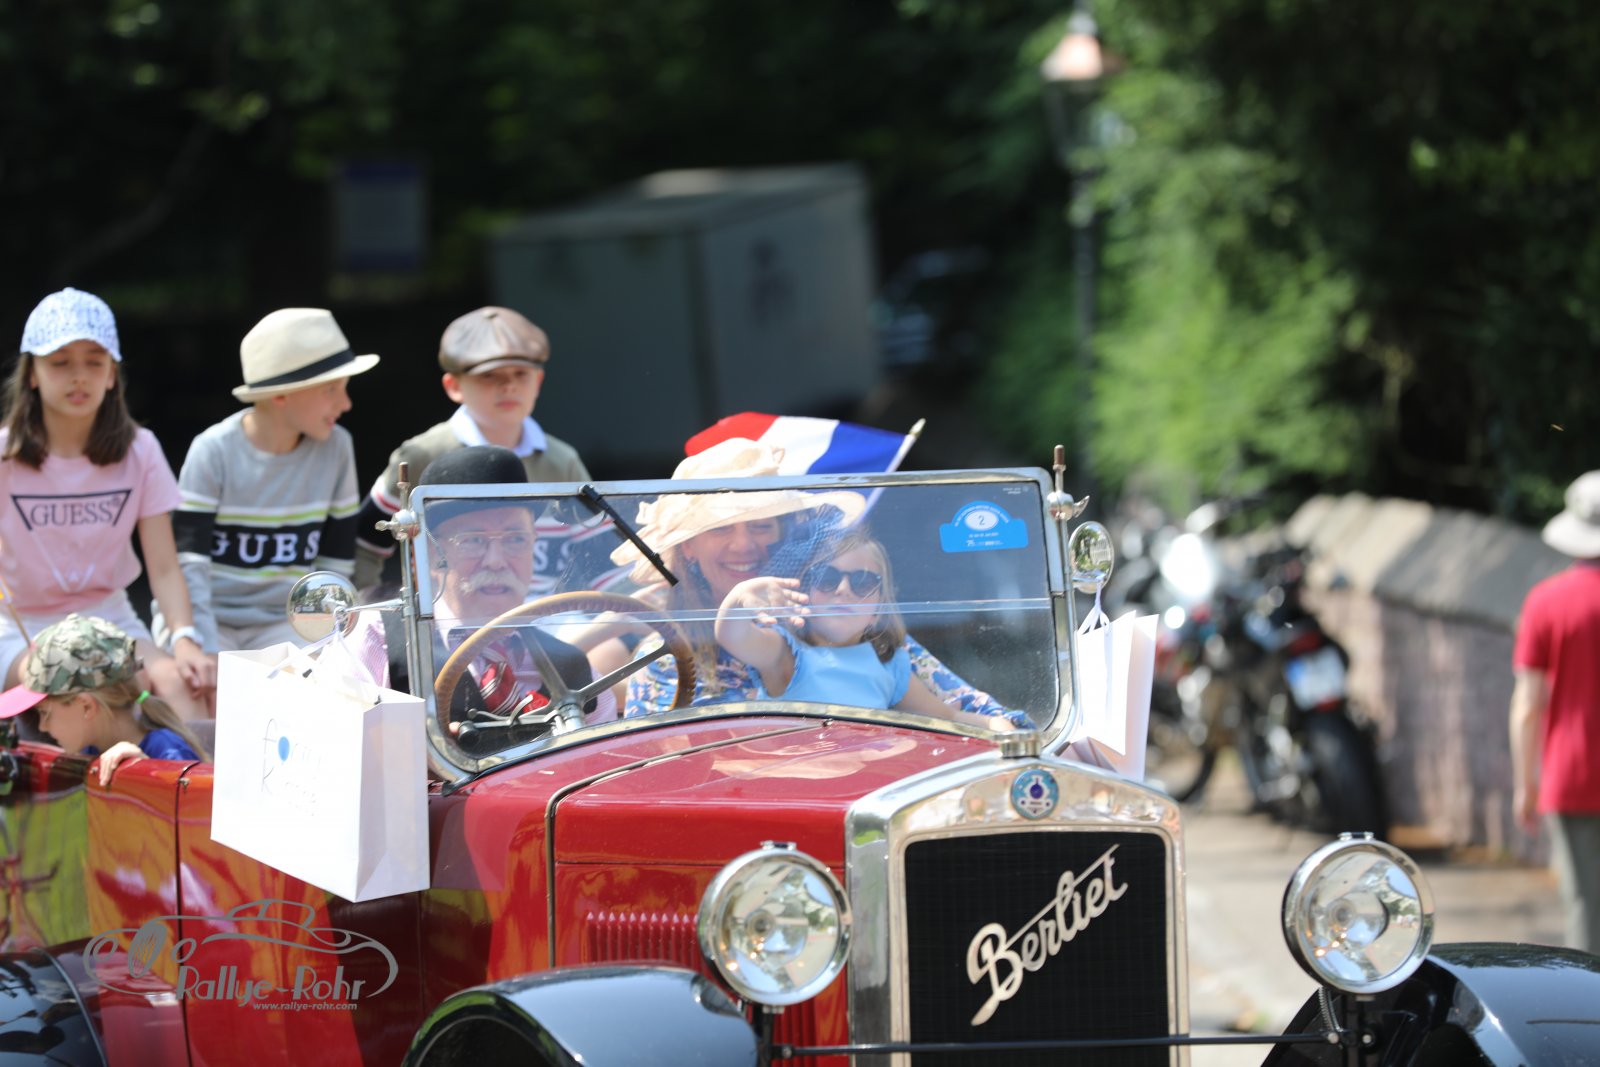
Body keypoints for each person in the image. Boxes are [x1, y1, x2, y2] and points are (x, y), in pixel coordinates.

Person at [606, 438, 1027, 727]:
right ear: (689, 549)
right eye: (720, 529)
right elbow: (657, 771)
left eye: (761, 525)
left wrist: (1023, 738)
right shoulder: (665, 655)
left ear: (784, 533)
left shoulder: (842, 623)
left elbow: (967, 710)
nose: (743, 545)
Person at [0, 288, 211, 719]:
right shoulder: (5, 455)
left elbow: (164, 567)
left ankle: (185, 766)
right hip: (23, 629)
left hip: (110, 621)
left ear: (112, 375)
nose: (79, 376)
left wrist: (185, 640)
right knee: (83, 678)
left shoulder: (141, 450)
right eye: (60, 362)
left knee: (180, 684)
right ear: (32, 374)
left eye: (94, 362)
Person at [342, 446, 614, 744]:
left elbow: (604, 767)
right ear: (429, 554)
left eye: (515, 539)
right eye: (472, 540)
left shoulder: (577, 672)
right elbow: (342, 752)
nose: (496, 560)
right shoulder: (377, 642)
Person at [157, 307, 376, 653]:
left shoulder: (338, 448)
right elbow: (189, 564)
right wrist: (199, 647)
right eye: (331, 389)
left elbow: (334, 565)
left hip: (290, 622)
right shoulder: (213, 450)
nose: (346, 403)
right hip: (207, 618)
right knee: (204, 684)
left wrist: (325, 640)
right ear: (280, 394)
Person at [354, 306, 589, 591]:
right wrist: (372, 608)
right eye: (489, 376)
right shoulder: (421, 455)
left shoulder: (563, 462)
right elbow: (364, 546)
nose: (509, 386)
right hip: (446, 616)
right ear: (453, 385)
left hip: (551, 614)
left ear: (538, 381)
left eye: (521, 374)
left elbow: (600, 551)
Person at [716, 526, 973, 721]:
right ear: (804, 593)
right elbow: (732, 636)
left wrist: (993, 726)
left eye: (862, 582)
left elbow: (949, 718)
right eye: (827, 578)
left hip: (867, 772)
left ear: (878, 610)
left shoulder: (891, 665)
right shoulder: (785, 653)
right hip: (798, 770)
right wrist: (739, 598)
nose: (843, 590)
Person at [1511, 469, 1600, 953]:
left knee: (1587, 904)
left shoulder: (1546, 603)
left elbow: (1528, 705)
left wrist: (1525, 783)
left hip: (1573, 775)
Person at [0, 613, 208, 786]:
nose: (42, 727)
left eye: (45, 713)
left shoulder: (169, 753)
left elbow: (197, 817)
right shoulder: (89, 751)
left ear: (86, 706)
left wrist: (146, 774)